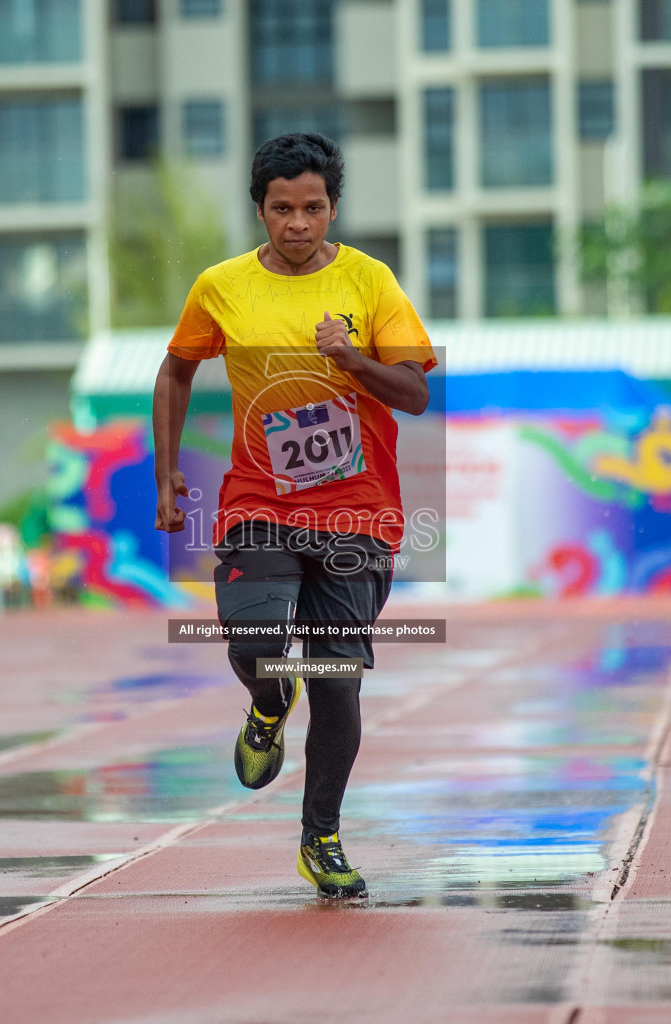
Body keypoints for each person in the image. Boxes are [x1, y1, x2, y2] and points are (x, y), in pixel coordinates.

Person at [152, 133, 436, 898]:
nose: (299, 224)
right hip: (259, 501)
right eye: (283, 210)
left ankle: (322, 838)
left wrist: (353, 361)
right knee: (255, 641)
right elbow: (176, 368)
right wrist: (167, 469)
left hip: (357, 512)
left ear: (332, 207)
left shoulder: (371, 282)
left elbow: (414, 391)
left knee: (338, 681)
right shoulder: (222, 287)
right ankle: (270, 702)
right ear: (261, 211)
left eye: (313, 208)